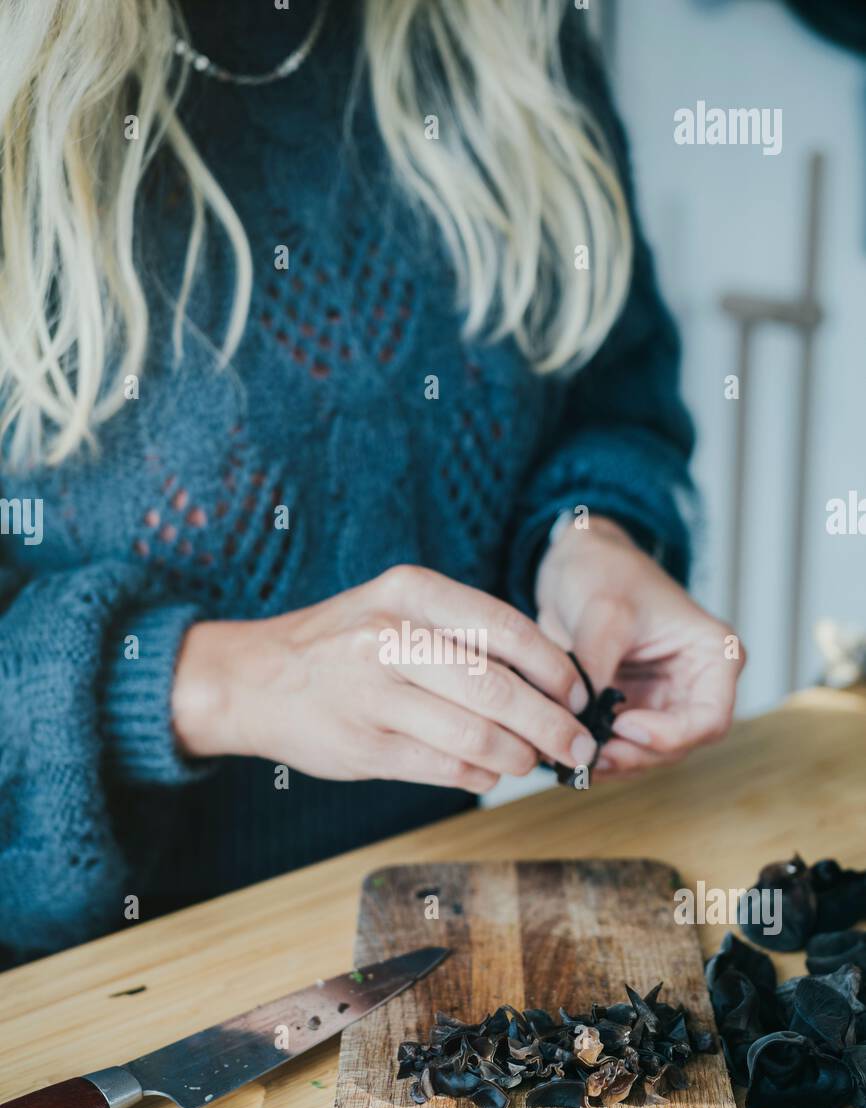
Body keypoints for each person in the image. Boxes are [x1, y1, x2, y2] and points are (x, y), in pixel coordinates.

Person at [0, 0, 743, 964]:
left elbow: (607, 389)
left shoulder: (510, 32)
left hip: (428, 919)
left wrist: (588, 538)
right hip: (73, 994)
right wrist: (215, 685)